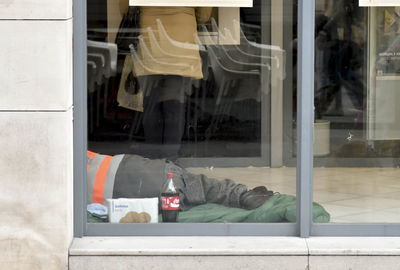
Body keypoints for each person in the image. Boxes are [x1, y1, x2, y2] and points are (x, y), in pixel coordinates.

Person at [133, 6, 213, 160]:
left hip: (152, 37)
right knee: (174, 101)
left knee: (151, 100)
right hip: (180, 41)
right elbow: (204, 14)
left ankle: (152, 158)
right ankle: (170, 158)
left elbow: (125, 6)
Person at [87, 151, 273, 211]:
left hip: (119, 197)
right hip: (131, 169)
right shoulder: (69, 150)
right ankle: (240, 193)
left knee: (184, 190)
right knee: (197, 183)